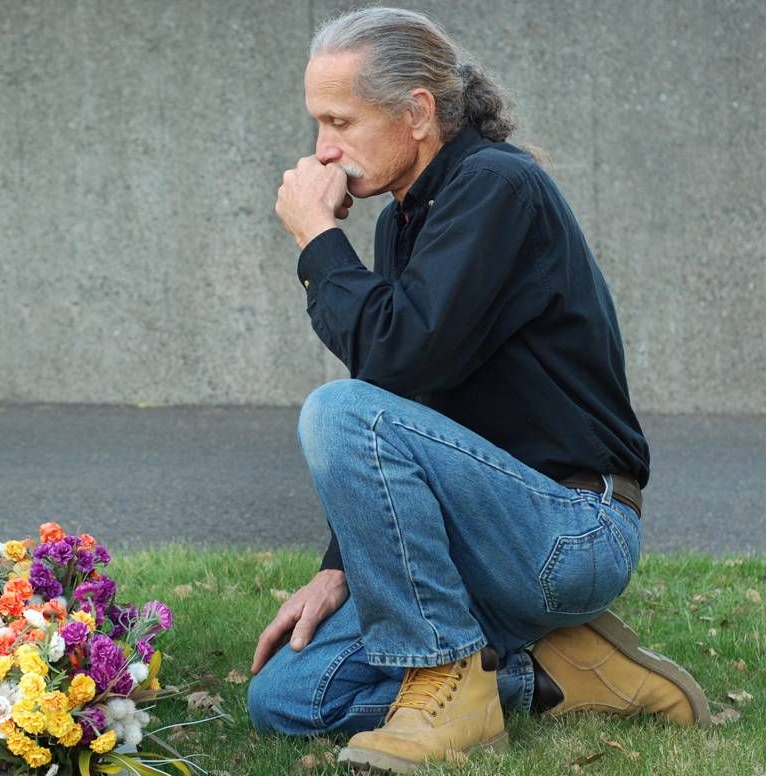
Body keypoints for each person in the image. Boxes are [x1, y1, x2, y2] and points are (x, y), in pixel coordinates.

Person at [248, 7, 711, 772]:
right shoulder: (405, 218)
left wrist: (319, 244)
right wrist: (339, 564)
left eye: (339, 120)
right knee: (289, 696)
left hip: (571, 529)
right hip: (484, 534)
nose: (322, 149)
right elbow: (406, 404)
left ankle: (447, 680)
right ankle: (558, 671)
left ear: (417, 113)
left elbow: (397, 361)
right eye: (316, 123)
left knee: (336, 410)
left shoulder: (498, 187)